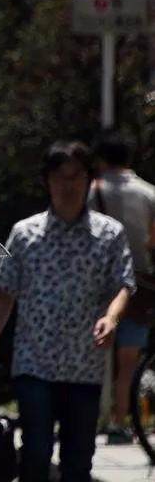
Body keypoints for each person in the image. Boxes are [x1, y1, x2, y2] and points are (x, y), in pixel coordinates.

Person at [0, 141, 134, 482]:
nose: (68, 184)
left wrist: (112, 317)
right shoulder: (25, 234)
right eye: (60, 176)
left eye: (76, 175)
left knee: (78, 462)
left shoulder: (109, 234)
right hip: (35, 365)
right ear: (47, 181)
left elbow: (123, 285)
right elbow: (3, 294)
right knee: (36, 452)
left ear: (90, 180)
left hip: (84, 366)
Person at [91, 131, 155, 444]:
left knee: (94, 356)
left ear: (100, 159)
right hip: (138, 285)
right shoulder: (148, 194)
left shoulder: (91, 193)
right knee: (130, 360)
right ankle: (119, 421)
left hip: (97, 284)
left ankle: (92, 417)